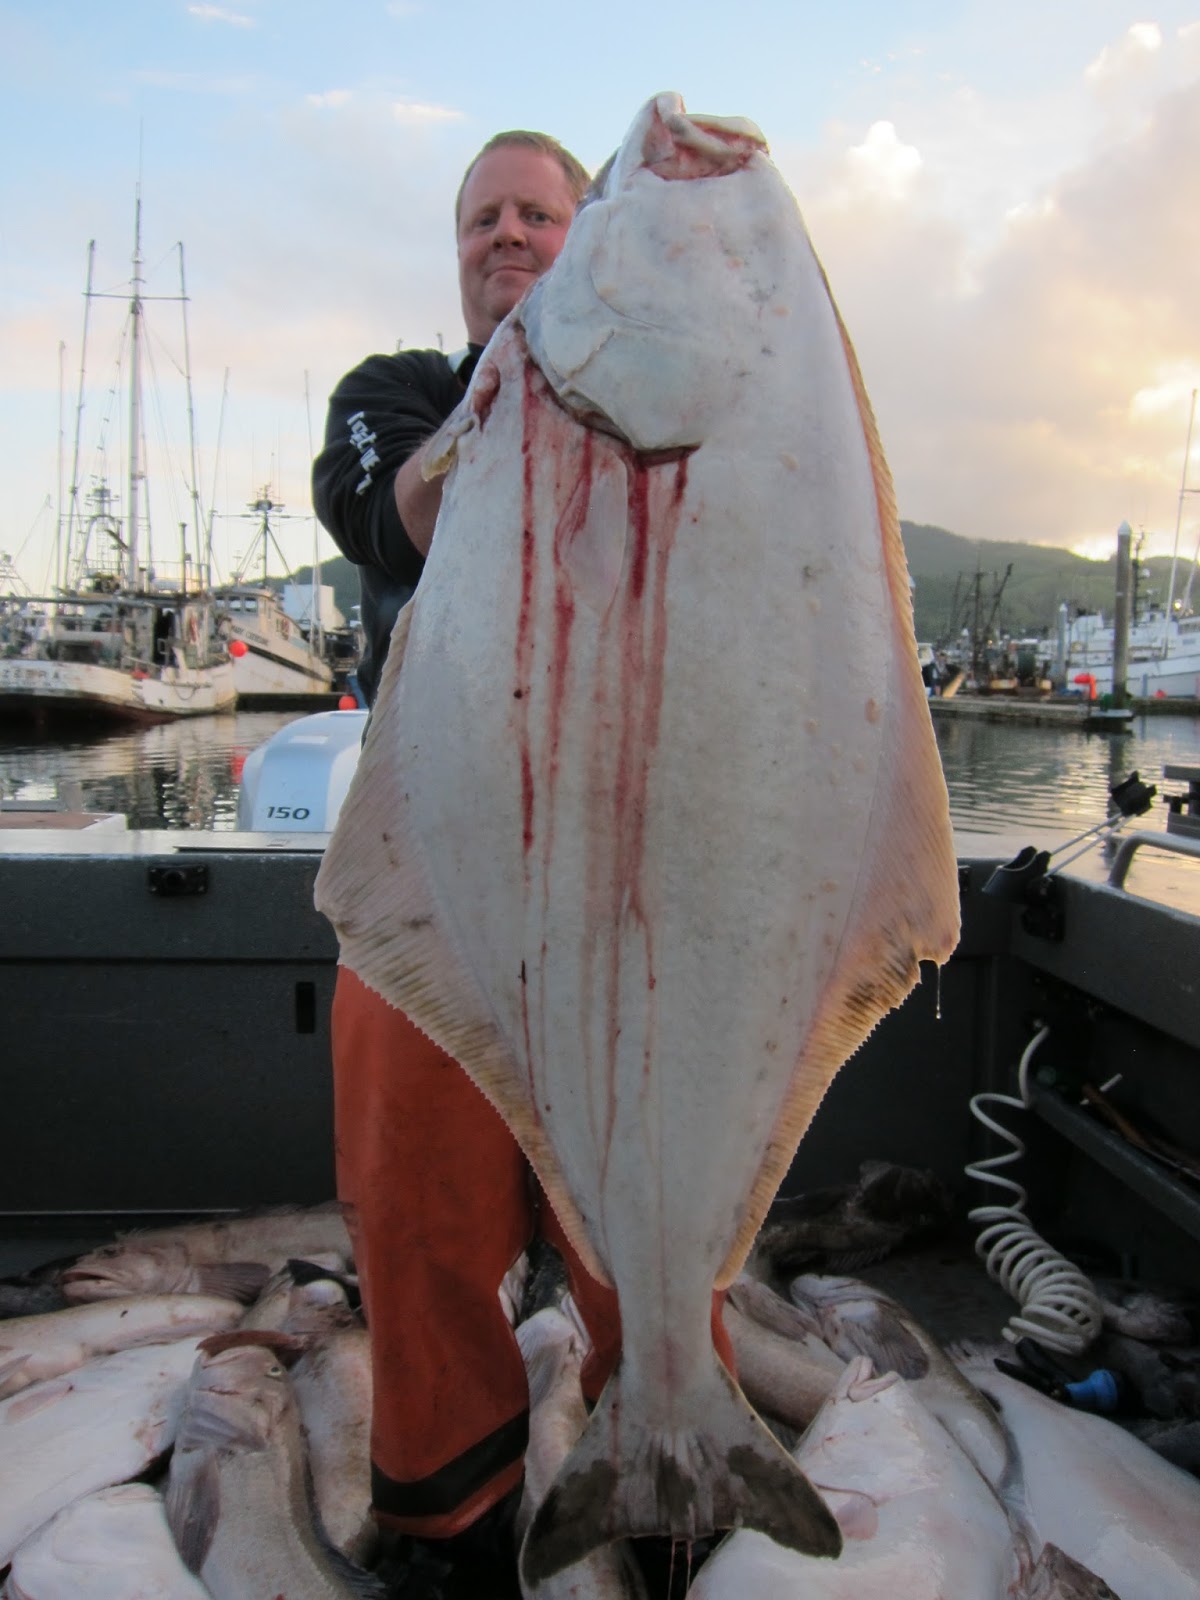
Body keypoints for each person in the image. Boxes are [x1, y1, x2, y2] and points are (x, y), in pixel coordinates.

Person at [312, 131, 737, 1596]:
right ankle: (447, 1528)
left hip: (634, 889)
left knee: (654, 1222)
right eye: (484, 217)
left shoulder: (670, 412)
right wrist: (512, 396)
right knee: (416, 1219)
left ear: (587, 238)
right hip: (439, 888)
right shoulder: (401, 399)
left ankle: (682, 1485)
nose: (510, 234)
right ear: (459, 250)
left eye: (541, 216)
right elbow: (394, 514)